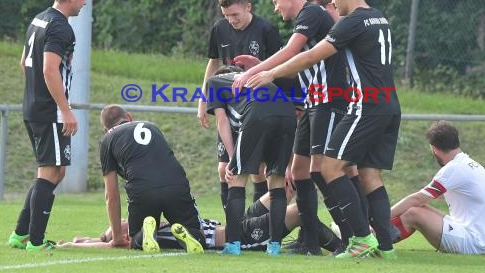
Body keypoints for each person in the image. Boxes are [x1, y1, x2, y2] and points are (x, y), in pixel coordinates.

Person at [246, 0, 402, 259]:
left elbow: (310, 55)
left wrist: (269, 73)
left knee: (330, 169)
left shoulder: (352, 21)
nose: (333, 3)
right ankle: (386, 246)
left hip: (364, 105)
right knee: (370, 176)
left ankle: (360, 239)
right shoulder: (380, 17)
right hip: (390, 104)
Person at [233, 0, 351, 256]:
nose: (276, 9)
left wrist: (254, 72)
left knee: (325, 171)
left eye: (275, 2)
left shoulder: (311, 12)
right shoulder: (306, 22)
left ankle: (353, 237)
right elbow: (295, 66)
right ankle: (309, 242)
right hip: (312, 103)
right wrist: (261, 66)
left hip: (329, 100)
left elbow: (291, 51)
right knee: (299, 172)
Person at [8, 0, 90, 252]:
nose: (84, 4)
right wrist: (65, 110)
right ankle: (35, 241)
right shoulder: (60, 27)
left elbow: (23, 62)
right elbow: (48, 68)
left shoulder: (38, 19)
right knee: (50, 171)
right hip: (49, 111)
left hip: (32, 106)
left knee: (55, 171)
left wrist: (35, 95)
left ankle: (21, 234)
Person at [197, 0, 282, 209]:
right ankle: (232, 225)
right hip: (226, 103)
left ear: (248, 7)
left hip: (255, 107)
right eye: (226, 15)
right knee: (224, 167)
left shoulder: (266, 30)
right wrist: (202, 99)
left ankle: (256, 221)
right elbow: (213, 63)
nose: (231, 20)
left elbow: (280, 68)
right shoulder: (219, 29)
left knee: (258, 169)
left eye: (235, 14)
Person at [57, 187, 342, 254]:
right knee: (299, 211)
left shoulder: (160, 222)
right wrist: (77, 245)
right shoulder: (145, 237)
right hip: (237, 236)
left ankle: (309, 244)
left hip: (235, 221)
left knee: (284, 189)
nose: (121, 222)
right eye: (116, 228)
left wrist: (86, 238)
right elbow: (112, 245)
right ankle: (341, 247)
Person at [206, 65, 296, 255]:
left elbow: (221, 122)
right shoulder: (248, 77)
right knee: (276, 180)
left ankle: (233, 244)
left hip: (258, 112)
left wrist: (232, 158)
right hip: (288, 113)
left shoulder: (213, 83)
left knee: (237, 178)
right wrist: (286, 165)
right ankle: (274, 246)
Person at [99, 104, 205, 253]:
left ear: (106, 129)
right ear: (129, 117)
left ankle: (145, 234)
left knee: (135, 241)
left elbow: (111, 195)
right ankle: (188, 233)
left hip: (143, 190)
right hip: (175, 183)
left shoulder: (107, 139)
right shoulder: (152, 127)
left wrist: (117, 238)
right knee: (197, 234)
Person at [390, 121, 485, 254]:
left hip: (473, 242)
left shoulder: (455, 168)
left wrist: (381, 218)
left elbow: (417, 199)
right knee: (418, 208)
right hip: (483, 240)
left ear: (434, 148)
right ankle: (373, 236)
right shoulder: (472, 165)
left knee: (413, 213)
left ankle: (372, 241)